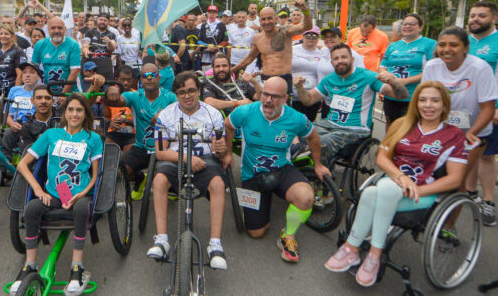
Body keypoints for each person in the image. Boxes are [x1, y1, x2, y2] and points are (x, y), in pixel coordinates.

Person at [324, 82, 467, 286]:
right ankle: (369, 253)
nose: (428, 105)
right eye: (423, 100)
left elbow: (455, 179)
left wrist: (417, 188)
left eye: (435, 100)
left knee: (374, 193)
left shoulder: (453, 136)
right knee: (381, 190)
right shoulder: (403, 124)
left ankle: (356, 249)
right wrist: (401, 178)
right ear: (415, 103)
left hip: (422, 194)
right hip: (392, 184)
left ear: (444, 105)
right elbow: (381, 157)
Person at [224, 76, 330, 263]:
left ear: (285, 99)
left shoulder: (296, 118)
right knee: (256, 233)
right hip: (252, 174)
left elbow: (313, 137)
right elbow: (228, 126)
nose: (268, 100)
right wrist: (227, 154)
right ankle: (253, 205)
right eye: (265, 94)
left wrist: (319, 165)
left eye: (275, 96)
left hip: (281, 169)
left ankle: (288, 236)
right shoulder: (246, 111)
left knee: (306, 197)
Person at [10, 94, 103, 295]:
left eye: (79, 110)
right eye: (71, 109)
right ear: (64, 112)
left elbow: (95, 176)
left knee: (80, 209)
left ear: (86, 113)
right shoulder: (51, 135)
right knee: (32, 208)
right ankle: (30, 265)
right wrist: (38, 189)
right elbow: (23, 165)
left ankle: (76, 267)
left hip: (79, 194)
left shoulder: (93, 138)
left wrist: (82, 195)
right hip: (54, 193)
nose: (75, 114)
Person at [147, 71, 230, 269]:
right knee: (159, 180)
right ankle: (162, 240)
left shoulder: (214, 114)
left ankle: (215, 245)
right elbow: (160, 152)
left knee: (218, 183)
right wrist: (186, 158)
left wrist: (221, 150)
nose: (187, 95)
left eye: (192, 90)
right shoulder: (166, 114)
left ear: (199, 91)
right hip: (176, 159)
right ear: (176, 94)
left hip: (205, 160)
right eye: (182, 92)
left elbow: (219, 149)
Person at [421, 26, 498, 224]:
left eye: (454, 45)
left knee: (457, 179)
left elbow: (489, 108)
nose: (447, 49)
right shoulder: (432, 66)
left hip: (472, 131)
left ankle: (448, 226)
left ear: (465, 47)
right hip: (441, 129)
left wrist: (470, 134)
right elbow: (424, 100)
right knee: (431, 173)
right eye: (442, 45)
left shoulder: (480, 68)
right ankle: (426, 213)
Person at [294, 43, 409, 163]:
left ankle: (319, 175)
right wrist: (300, 88)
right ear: (332, 62)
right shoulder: (328, 80)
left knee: (323, 143)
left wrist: (393, 82)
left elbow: (402, 95)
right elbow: (309, 100)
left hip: (354, 129)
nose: (340, 61)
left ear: (352, 59)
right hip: (328, 124)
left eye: (344, 57)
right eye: (336, 58)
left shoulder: (367, 76)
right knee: (300, 133)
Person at [465, 1, 498, 226]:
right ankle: (469, 192)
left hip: (490, 108)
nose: (475, 19)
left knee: (486, 155)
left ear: (494, 18)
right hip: (464, 108)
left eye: (481, 16)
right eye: (472, 15)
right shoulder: (464, 42)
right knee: (467, 151)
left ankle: (488, 201)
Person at [103, 63, 177, 200]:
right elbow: (117, 101)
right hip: (142, 148)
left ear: (159, 78)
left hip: (165, 148)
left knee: (169, 176)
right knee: (121, 170)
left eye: (152, 75)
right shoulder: (134, 96)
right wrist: (110, 92)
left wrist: (164, 114)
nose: (149, 79)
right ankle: (139, 179)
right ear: (140, 80)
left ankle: (173, 186)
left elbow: (182, 112)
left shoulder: (170, 97)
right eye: (144, 76)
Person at [232, 0, 313, 98]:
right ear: (259, 20)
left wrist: (305, 9)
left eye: (269, 18)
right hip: (266, 80)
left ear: (276, 19)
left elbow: (307, 27)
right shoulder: (257, 38)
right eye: (263, 19)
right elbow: (249, 59)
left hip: (284, 79)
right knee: (266, 111)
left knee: (283, 112)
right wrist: (230, 71)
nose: (266, 22)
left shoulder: (285, 32)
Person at [379, 13, 436, 127]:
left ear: (420, 27)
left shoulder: (430, 44)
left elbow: (432, 71)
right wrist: (385, 75)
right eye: (405, 24)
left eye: (412, 24)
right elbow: (382, 65)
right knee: (391, 126)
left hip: (413, 95)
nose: (407, 26)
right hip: (392, 94)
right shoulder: (393, 46)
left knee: (409, 128)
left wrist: (405, 81)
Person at [0, 83, 55, 164]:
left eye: (47, 98)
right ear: (32, 101)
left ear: (53, 101)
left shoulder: (61, 120)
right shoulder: (27, 126)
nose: (43, 101)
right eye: (39, 98)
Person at [32, 17, 82, 96]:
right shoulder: (40, 44)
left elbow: (75, 71)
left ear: (65, 29)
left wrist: (63, 94)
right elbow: (33, 69)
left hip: (72, 91)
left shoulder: (73, 44)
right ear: (48, 30)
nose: (56, 31)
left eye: (60, 28)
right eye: (53, 28)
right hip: (49, 92)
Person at [291, 27, 324, 121]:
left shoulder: (321, 53)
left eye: (314, 36)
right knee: (295, 123)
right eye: (308, 35)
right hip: (294, 96)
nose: (311, 38)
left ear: (318, 38)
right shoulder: (293, 49)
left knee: (309, 123)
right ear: (303, 36)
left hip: (312, 96)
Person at [104, 66, 137, 150]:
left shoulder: (137, 95)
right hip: (113, 133)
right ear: (117, 79)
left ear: (133, 81)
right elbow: (105, 117)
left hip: (132, 134)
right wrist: (110, 123)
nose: (125, 83)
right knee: (110, 154)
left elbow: (141, 120)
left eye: (129, 80)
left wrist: (125, 121)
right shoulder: (109, 96)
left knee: (128, 155)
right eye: (122, 79)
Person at [0, 24, 27, 96]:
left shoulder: (18, 51)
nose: (3, 36)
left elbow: (20, 75)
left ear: (12, 36)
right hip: (0, 93)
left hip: (12, 92)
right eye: (1, 34)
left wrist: (15, 93)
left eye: (6, 34)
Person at [82, 13, 117, 80]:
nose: (102, 22)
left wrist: (109, 42)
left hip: (105, 65)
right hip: (91, 65)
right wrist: (86, 51)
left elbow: (112, 49)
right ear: (97, 20)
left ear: (108, 22)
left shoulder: (112, 35)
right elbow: (85, 45)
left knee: (106, 88)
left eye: (105, 20)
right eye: (100, 20)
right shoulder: (89, 32)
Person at [199, 5, 228, 70]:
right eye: (210, 13)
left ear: (216, 14)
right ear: (207, 14)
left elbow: (226, 40)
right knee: (206, 73)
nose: (212, 15)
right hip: (206, 54)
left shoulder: (221, 25)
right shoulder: (203, 25)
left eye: (214, 13)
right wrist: (207, 46)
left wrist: (215, 48)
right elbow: (199, 40)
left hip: (218, 54)